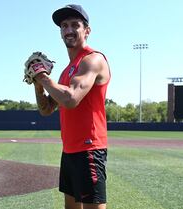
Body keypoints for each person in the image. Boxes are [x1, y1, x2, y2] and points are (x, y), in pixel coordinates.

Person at [31, 4, 110, 209]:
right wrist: (38, 86)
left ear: (87, 31)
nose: (68, 30)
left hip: (89, 148)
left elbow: (71, 99)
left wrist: (43, 77)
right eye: (64, 26)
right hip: (70, 150)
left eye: (75, 25)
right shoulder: (66, 71)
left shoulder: (93, 60)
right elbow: (46, 109)